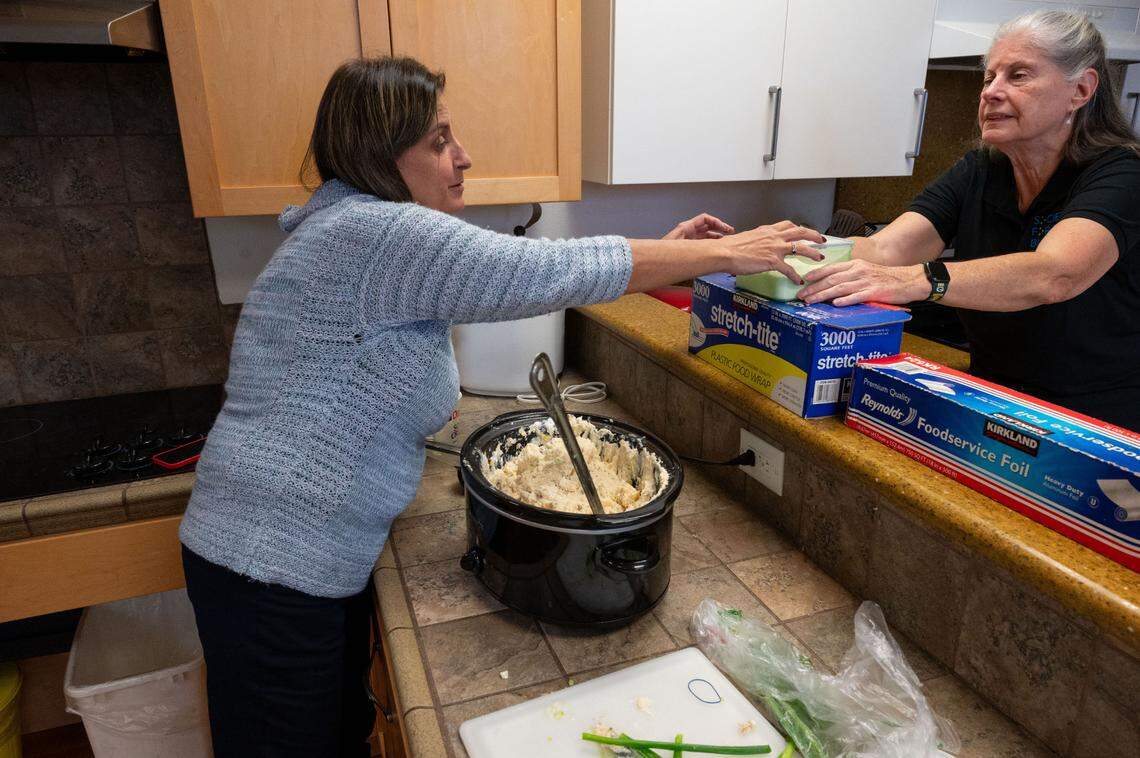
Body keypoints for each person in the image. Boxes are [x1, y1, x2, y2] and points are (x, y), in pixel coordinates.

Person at [178, 56, 824, 757]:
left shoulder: (351, 232)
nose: (463, 157)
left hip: (281, 561)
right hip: (270, 567)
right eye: (437, 141)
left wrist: (671, 253)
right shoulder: (375, 236)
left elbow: (532, 280)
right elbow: (541, 272)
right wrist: (722, 254)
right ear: (380, 154)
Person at [798, 10, 1140, 431]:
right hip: (994, 401)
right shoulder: (981, 168)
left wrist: (919, 281)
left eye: (1018, 76)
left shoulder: (1123, 174)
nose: (991, 92)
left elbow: (1056, 274)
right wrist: (793, 250)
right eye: (988, 77)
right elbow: (887, 248)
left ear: (1081, 89)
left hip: (1098, 427)